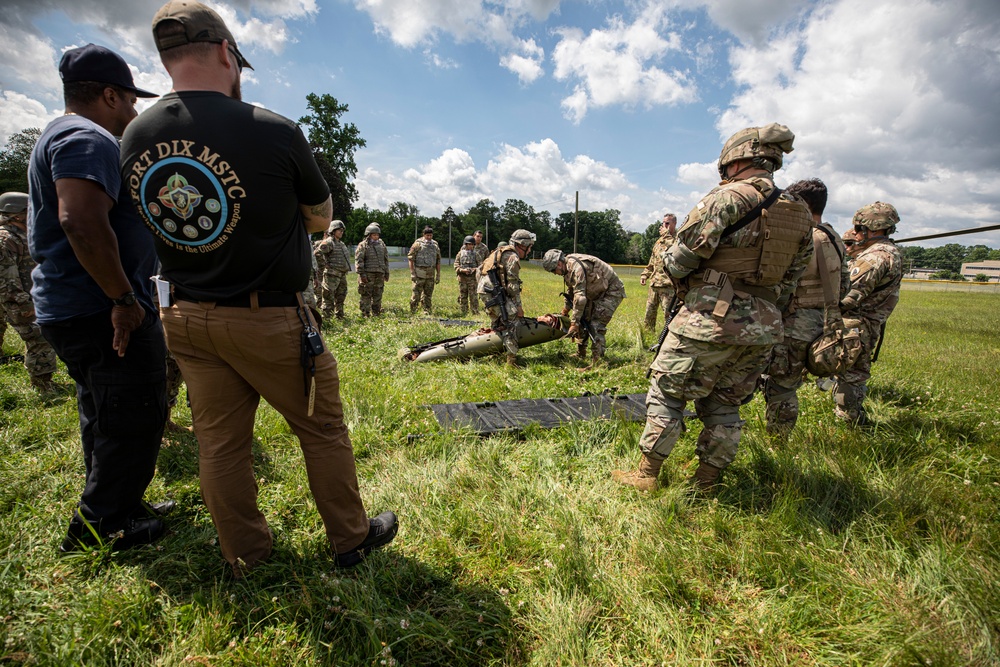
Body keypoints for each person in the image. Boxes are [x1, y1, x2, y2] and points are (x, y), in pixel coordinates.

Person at [121, 0, 397, 574]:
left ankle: (244, 553)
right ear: (227, 53)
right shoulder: (270, 129)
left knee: (220, 443)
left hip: (186, 316)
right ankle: (350, 539)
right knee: (321, 429)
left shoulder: (135, 133)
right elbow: (320, 216)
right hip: (267, 318)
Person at [613, 123, 813, 492]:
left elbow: (679, 260)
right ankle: (707, 481)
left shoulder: (726, 199)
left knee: (668, 392)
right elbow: (793, 277)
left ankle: (645, 475)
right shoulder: (800, 212)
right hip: (763, 328)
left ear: (734, 160)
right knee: (725, 404)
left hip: (708, 320)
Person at [27, 44, 170, 551]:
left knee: (105, 411)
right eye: (129, 100)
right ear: (109, 94)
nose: (133, 112)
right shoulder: (87, 138)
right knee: (134, 412)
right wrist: (124, 299)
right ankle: (102, 526)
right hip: (99, 309)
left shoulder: (61, 134)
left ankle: (120, 503)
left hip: (75, 307)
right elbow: (81, 222)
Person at [761, 178, 849, 437]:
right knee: (788, 381)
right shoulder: (834, 237)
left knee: (782, 386)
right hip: (822, 321)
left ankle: (778, 441)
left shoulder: (804, 237)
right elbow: (845, 285)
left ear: (803, 204)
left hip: (796, 320)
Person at [832, 202, 903, 425]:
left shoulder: (874, 258)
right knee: (854, 373)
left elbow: (846, 297)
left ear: (869, 228)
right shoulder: (889, 253)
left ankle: (849, 422)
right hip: (867, 325)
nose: (854, 232)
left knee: (851, 376)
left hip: (857, 326)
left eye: (857, 227)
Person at [0, 192, 59, 394]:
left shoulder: (19, 236)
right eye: (29, 211)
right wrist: (24, 306)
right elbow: (7, 280)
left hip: (14, 298)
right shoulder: (5, 239)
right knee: (39, 337)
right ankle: (43, 387)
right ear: (16, 215)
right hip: (13, 299)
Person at [540, 249, 626, 368]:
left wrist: (574, 322)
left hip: (611, 291)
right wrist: (565, 310)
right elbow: (572, 292)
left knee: (596, 325)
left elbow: (580, 298)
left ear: (558, 263)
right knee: (582, 320)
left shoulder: (577, 268)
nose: (555, 273)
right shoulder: (567, 268)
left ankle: (598, 361)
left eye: (554, 270)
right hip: (594, 291)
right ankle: (581, 353)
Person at [478, 229, 535, 366]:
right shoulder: (512, 257)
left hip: (486, 290)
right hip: (492, 292)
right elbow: (513, 287)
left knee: (498, 322)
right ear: (522, 245)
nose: (529, 251)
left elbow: (480, 270)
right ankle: (511, 361)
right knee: (512, 320)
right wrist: (519, 307)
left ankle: (495, 351)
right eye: (529, 247)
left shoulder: (501, 251)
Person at [640, 213, 677, 332]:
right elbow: (652, 261)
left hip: (668, 286)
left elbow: (675, 251)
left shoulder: (677, 239)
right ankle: (647, 337)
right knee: (649, 315)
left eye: (667, 223)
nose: (664, 226)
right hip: (654, 285)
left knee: (669, 316)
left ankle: (667, 340)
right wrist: (645, 274)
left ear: (674, 224)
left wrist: (666, 235)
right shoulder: (659, 242)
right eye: (663, 223)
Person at [314, 219, 352, 320]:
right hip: (331, 275)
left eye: (342, 230)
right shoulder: (329, 242)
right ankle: (327, 319)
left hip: (341, 275)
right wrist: (324, 266)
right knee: (328, 298)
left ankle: (339, 316)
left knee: (341, 296)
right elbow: (317, 253)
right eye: (339, 230)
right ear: (333, 231)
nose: (341, 232)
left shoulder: (341, 244)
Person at [355, 223, 390, 317]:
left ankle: (376, 312)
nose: (376, 236)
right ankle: (365, 313)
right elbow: (359, 260)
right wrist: (362, 275)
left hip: (380, 273)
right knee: (366, 294)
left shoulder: (381, 245)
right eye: (374, 235)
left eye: (377, 235)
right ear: (369, 235)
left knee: (378, 293)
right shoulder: (363, 245)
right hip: (368, 274)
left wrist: (386, 272)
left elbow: (385, 259)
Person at [407, 226, 441, 315]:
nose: (429, 237)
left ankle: (427, 310)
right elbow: (410, 258)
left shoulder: (435, 245)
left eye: (430, 235)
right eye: (427, 235)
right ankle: (413, 310)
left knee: (428, 294)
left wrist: (438, 274)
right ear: (424, 235)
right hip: (419, 273)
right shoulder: (417, 244)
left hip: (430, 273)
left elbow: (438, 260)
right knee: (416, 293)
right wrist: (412, 273)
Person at [454, 235, 479, 315]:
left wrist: (474, 269)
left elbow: (481, 265)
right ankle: (464, 311)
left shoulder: (476, 254)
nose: (470, 246)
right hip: (462, 278)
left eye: (472, 244)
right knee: (463, 295)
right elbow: (456, 264)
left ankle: (475, 311)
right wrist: (462, 270)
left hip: (472, 279)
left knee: (473, 296)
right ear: (465, 244)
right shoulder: (460, 254)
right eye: (469, 244)